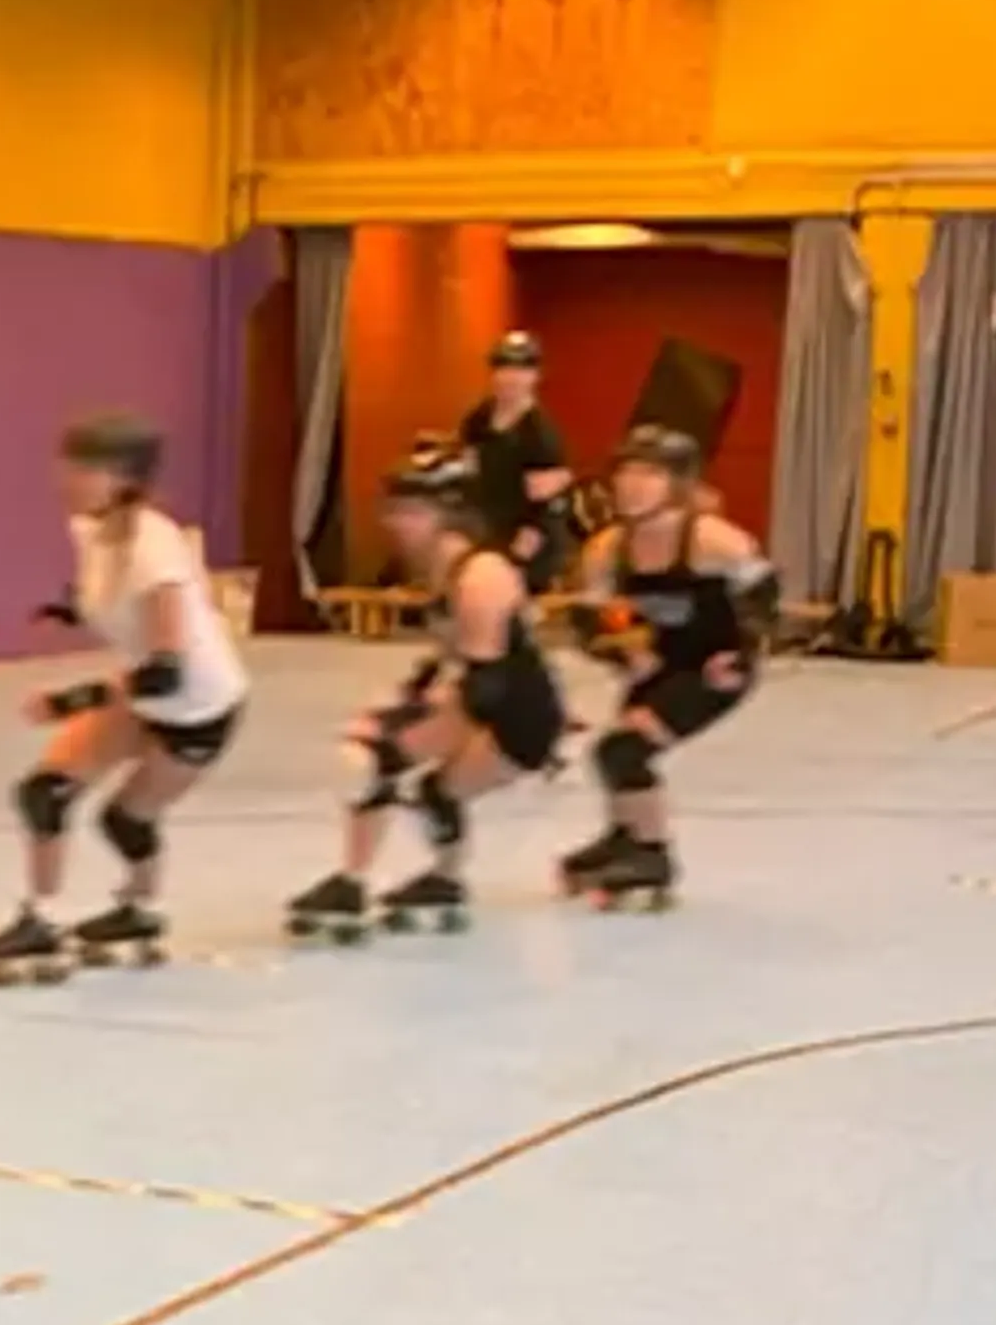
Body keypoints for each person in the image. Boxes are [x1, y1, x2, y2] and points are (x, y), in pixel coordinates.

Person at [0, 411, 253, 984]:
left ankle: (140, 910)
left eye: (83, 469)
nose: (66, 479)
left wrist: (71, 700)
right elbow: (107, 596)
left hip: (200, 705)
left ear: (122, 479)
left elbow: (165, 673)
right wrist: (71, 610)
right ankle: (41, 919)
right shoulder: (91, 527)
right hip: (148, 689)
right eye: (68, 465)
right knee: (45, 793)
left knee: (126, 818)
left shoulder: (157, 550)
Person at [289, 435, 572, 941]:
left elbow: (486, 684)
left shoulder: (481, 574)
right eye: (394, 508)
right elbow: (455, 653)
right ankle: (443, 879)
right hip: (501, 700)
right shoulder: (443, 568)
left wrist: (408, 723)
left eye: (411, 510)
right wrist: (412, 695)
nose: (395, 521)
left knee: (375, 762)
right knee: (431, 789)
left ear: (449, 513)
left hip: (519, 713)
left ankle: (352, 885)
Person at [556, 423, 776, 905]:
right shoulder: (609, 548)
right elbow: (589, 620)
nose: (633, 484)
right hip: (658, 663)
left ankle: (653, 853)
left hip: (714, 668)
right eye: (627, 472)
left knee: (624, 751)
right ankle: (625, 834)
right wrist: (622, 649)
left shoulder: (710, 539)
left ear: (677, 483)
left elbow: (762, 597)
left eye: (650, 474)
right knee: (611, 754)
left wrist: (743, 651)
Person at [458, 331, 579, 591]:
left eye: (522, 369)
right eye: (504, 368)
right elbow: (468, 478)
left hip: (528, 545)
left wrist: (515, 560)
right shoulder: (477, 421)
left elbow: (545, 510)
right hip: (488, 532)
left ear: (535, 376)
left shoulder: (540, 434)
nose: (511, 378)